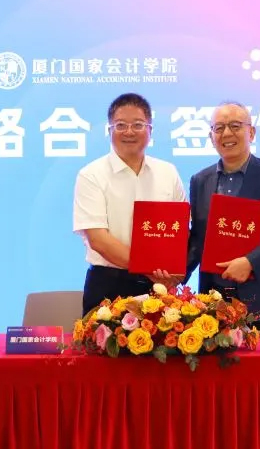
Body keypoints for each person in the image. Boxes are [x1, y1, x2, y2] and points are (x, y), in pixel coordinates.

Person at [184, 101, 260, 322]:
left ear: (252, 132)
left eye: (235, 126)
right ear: (211, 137)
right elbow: (199, 239)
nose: (226, 133)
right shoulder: (200, 180)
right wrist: (176, 274)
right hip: (212, 303)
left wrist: (251, 262)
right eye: (219, 128)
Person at [73, 93, 186, 316]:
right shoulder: (91, 175)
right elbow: (98, 239)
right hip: (109, 285)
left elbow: (181, 230)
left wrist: (175, 273)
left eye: (138, 125)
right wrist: (148, 267)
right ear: (109, 131)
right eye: (120, 125)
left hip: (159, 285)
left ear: (150, 130)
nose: (129, 132)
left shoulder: (168, 172)